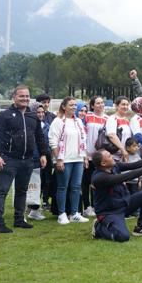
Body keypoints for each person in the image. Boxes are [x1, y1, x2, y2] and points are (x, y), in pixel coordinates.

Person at [0, 86, 50, 233]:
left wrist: (43, 154)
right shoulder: (5, 115)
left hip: (27, 160)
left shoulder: (32, 115)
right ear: (14, 97)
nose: (25, 98)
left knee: (22, 191)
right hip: (9, 159)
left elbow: (39, 137)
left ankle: (19, 219)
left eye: (27, 96)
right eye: (21, 96)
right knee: (2, 191)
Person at [89, 148, 142, 240]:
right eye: (109, 156)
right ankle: (98, 228)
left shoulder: (114, 166)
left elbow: (132, 165)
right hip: (109, 212)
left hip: (123, 204)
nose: (112, 157)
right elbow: (126, 176)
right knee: (123, 236)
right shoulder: (99, 178)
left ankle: (141, 228)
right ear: (103, 163)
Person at [47, 96, 89, 225]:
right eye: (71, 105)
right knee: (62, 187)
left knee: (76, 187)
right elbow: (53, 141)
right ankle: (62, 213)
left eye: (75, 105)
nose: (74, 107)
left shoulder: (78, 122)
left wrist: (84, 157)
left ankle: (74, 213)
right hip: (64, 159)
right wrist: (58, 159)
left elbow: (83, 140)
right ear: (64, 106)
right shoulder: (58, 121)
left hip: (78, 159)